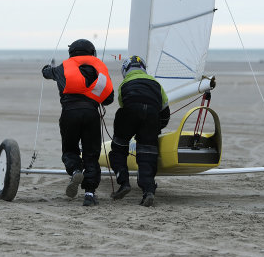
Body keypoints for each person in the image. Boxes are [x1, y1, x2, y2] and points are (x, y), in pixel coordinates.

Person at [42, 39, 114, 206]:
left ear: (72, 53)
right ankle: (89, 193)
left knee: (69, 149)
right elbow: (109, 99)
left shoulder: (63, 68)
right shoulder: (99, 68)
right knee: (91, 154)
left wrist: (46, 69)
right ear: (92, 52)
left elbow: (46, 73)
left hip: (69, 113)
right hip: (91, 114)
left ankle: (75, 170)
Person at [109, 55, 170, 207]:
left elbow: (123, 104)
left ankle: (124, 183)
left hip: (130, 112)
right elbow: (165, 111)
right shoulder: (156, 83)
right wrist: (155, 129)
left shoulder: (124, 83)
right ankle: (148, 191)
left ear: (125, 70)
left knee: (118, 148)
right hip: (152, 116)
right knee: (147, 154)